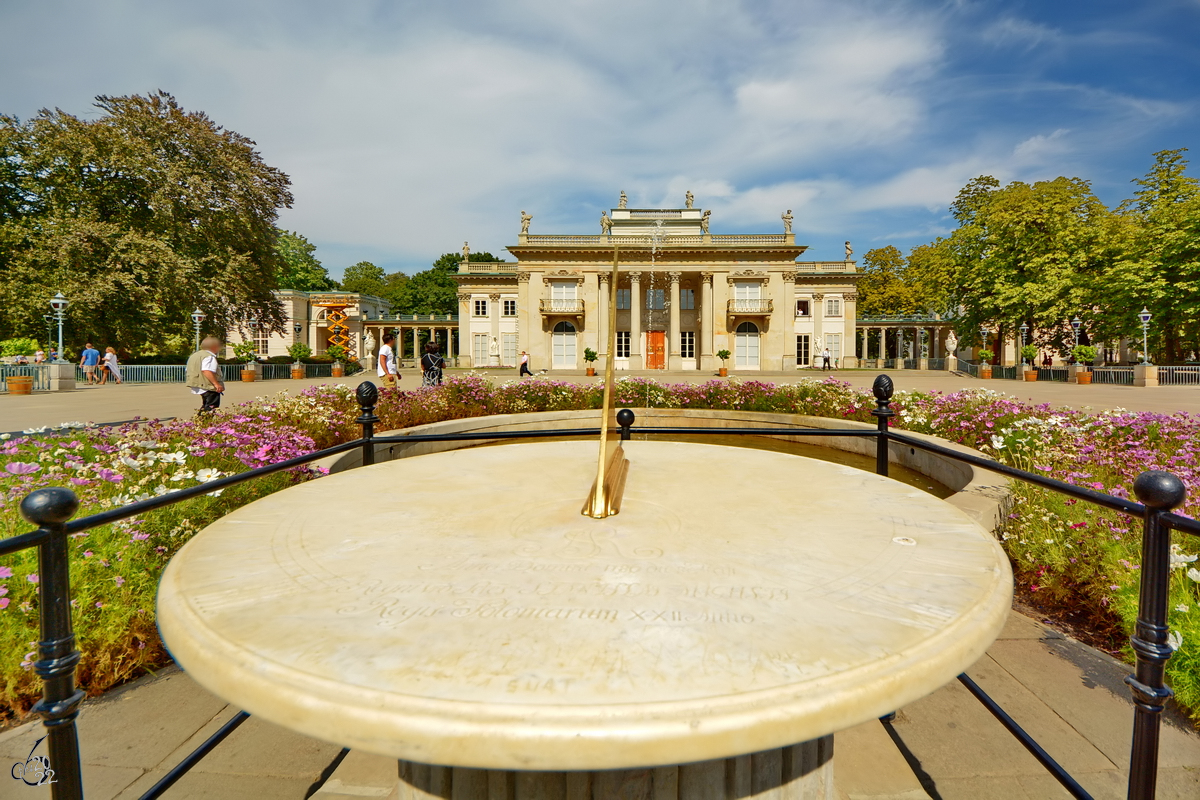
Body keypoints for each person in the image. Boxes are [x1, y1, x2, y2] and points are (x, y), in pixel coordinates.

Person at [187, 336, 225, 414]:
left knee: (206, 405)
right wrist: (216, 384)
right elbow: (207, 370)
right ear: (214, 347)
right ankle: (205, 423)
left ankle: (199, 421)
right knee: (212, 406)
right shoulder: (209, 357)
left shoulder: (195, 355)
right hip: (207, 385)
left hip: (197, 383)